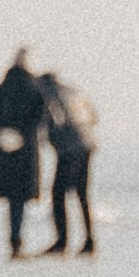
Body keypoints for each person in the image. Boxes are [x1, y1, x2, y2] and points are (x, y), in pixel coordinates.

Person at [0, 48, 46, 258]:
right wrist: (25, 133)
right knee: (20, 199)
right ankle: (17, 241)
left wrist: (2, 131)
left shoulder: (3, 86)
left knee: (13, 200)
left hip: (5, 150)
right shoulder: (34, 87)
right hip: (26, 150)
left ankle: (14, 240)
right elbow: (41, 116)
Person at [36, 71, 98, 256]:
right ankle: (89, 241)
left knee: (58, 194)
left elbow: (57, 118)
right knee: (81, 194)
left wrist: (43, 133)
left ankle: (61, 242)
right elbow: (94, 116)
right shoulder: (73, 91)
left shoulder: (48, 94)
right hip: (87, 144)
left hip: (69, 147)